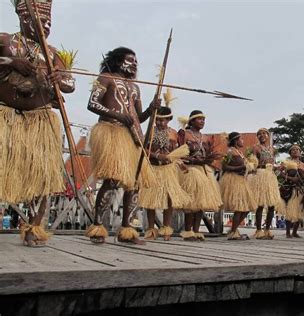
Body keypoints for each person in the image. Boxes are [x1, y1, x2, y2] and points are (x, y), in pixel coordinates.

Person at [0, 0, 75, 246]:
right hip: (7, 116)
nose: (46, 26)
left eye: (49, 23)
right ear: (24, 19)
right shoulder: (6, 41)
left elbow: (70, 84)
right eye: (41, 21)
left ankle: (35, 227)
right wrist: (13, 63)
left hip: (40, 120)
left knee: (42, 174)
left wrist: (59, 79)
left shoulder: (53, 54)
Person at [84, 47, 155, 244]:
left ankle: (127, 230)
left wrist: (151, 109)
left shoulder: (135, 87)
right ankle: (98, 227)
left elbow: (137, 118)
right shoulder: (105, 77)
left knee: (134, 184)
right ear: (117, 61)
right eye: (130, 60)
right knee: (113, 180)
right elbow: (92, 103)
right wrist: (117, 115)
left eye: (136, 61)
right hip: (111, 131)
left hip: (131, 137)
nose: (134, 64)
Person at [138, 104, 191, 241]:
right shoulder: (150, 131)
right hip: (153, 168)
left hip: (168, 169)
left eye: (163, 120)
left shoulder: (173, 133)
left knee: (169, 198)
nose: (160, 123)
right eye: (157, 120)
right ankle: (151, 229)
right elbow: (143, 151)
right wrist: (156, 156)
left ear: (169, 119)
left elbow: (176, 152)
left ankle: (166, 228)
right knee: (150, 199)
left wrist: (180, 163)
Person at [178, 110, 222, 241]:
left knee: (200, 202)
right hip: (189, 169)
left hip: (204, 171)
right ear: (191, 121)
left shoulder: (205, 137)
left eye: (204, 119)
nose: (203, 121)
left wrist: (208, 160)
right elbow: (179, 154)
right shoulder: (184, 134)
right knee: (191, 202)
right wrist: (192, 161)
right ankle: (187, 231)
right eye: (199, 119)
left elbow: (207, 154)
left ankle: (196, 231)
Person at [221, 132, 257, 240]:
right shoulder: (231, 151)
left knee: (246, 208)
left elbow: (242, 167)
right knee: (240, 208)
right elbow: (224, 167)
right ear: (236, 140)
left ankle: (234, 230)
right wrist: (241, 167)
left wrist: (250, 170)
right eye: (241, 139)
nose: (243, 141)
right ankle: (233, 232)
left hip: (241, 180)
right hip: (234, 180)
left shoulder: (239, 152)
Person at [249, 128, 281, 239]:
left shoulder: (272, 149)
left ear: (268, 136)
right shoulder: (256, 148)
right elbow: (253, 163)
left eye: (264, 133)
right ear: (257, 137)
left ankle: (267, 230)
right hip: (260, 174)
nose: (262, 135)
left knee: (272, 204)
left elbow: (273, 163)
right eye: (259, 134)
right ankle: (258, 230)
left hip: (271, 175)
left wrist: (278, 168)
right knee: (260, 204)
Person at [279, 145, 304, 238]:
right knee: (290, 210)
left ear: (300, 152)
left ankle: (295, 232)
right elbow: (280, 173)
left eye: (297, 150)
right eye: (293, 150)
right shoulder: (286, 162)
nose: (295, 151)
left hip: (301, 189)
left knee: (300, 210)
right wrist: (290, 178)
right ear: (290, 153)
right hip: (290, 189)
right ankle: (288, 232)